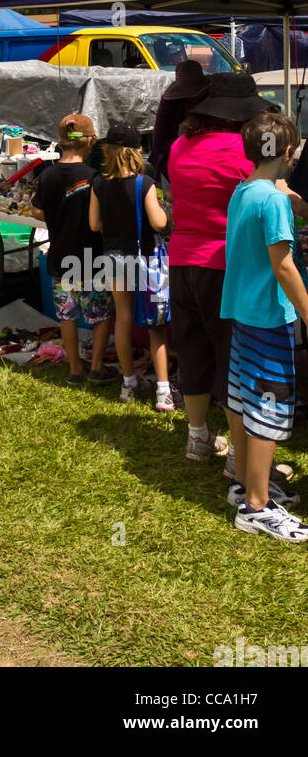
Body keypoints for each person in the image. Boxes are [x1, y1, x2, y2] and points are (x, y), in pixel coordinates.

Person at [166, 75, 265, 465]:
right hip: (224, 263)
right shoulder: (242, 149)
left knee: (192, 348)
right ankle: (238, 455)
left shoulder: (179, 146)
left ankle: (197, 437)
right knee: (230, 354)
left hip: (182, 259)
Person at [221, 113, 308, 541]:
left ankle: (245, 484)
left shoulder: (244, 191)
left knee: (242, 401)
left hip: (242, 312)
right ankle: (256, 506)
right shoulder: (272, 200)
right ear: (289, 153)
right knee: (267, 410)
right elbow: (285, 266)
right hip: (270, 318)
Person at [31, 114, 117, 387]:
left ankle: (75, 369)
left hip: (60, 257)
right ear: (88, 143)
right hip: (91, 258)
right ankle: (96, 366)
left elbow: (36, 210)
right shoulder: (95, 178)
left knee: (67, 315)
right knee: (101, 314)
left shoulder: (47, 175)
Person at [88, 121, 170, 407]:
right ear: (137, 152)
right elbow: (158, 222)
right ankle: (163, 391)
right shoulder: (143, 183)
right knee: (155, 324)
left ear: (108, 150)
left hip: (114, 256)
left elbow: (94, 224)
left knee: (121, 319)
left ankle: (129, 383)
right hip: (144, 259)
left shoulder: (98, 182)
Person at [148, 60, 209, 186]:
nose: (193, 98)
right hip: (173, 163)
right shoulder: (169, 106)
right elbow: (159, 142)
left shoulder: (208, 101)